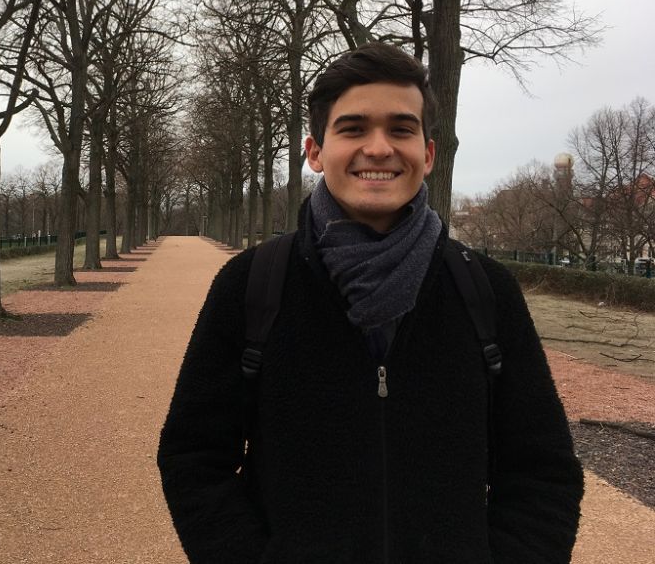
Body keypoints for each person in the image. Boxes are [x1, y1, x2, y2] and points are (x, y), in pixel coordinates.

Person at [157, 42, 583, 563]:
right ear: (315, 151)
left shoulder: (486, 289)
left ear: (428, 154)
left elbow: (542, 468)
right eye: (354, 128)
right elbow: (194, 456)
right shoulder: (251, 284)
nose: (379, 148)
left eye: (401, 129)